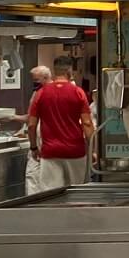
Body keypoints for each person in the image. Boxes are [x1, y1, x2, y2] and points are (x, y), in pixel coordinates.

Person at [26, 55, 94, 192]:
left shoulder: (41, 93)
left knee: (51, 195)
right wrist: (94, 149)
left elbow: (31, 125)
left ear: (54, 71)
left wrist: (34, 147)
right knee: (76, 193)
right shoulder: (78, 92)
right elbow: (87, 123)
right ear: (70, 71)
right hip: (76, 151)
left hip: (51, 152)